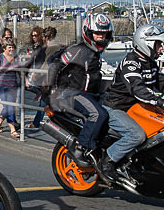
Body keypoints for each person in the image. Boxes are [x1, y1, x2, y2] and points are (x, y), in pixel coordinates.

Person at [102, 24, 164, 181]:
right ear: (146, 43)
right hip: (117, 107)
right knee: (136, 135)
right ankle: (107, 163)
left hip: (137, 107)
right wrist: (163, 103)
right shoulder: (131, 63)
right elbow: (138, 89)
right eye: (158, 45)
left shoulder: (150, 63)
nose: (161, 49)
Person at [45, 13, 114, 167]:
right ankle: (80, 148)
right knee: (98, 114)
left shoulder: (95, 53)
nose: (101, 38)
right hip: (71, 93)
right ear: (88, 33)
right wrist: (53, 89)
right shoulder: (78, 50)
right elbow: (55, 63)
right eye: (97, 34)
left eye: (104, 34)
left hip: (89, 93)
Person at [0, 40, 22, 138]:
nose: (12, 49)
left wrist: (26, 81)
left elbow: (20, 71)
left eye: (12, 47)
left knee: (8, 107)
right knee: (9, 107)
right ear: (4, 48)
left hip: (13, 86)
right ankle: (13, 130)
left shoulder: (16, 58)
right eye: (9, 47)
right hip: (2, 86)